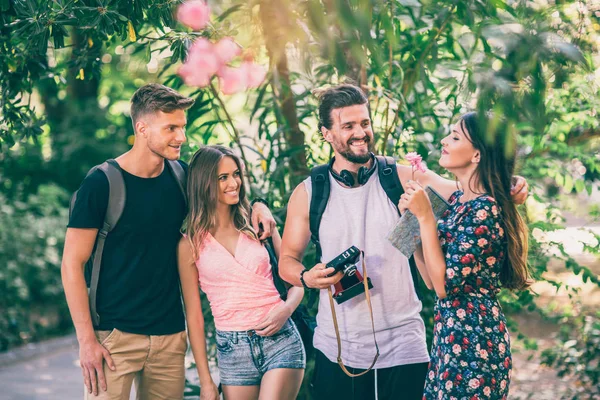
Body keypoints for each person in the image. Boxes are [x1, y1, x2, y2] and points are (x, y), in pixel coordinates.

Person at [279, 84, 529, 400]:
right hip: (337, 348)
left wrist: (513, 184)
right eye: (349, 126)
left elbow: (471, 188)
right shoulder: (309, 193)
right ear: (326, 133)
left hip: (404, 348)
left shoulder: (399, 177)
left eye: (365, 123)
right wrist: (306, 277)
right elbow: (287, 260)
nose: (361, 133)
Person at [62, 84, 276, 400]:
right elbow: (71, 264)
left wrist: (259, 202)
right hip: (114, 339)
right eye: (171, 128)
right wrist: (86, 341)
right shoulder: (101, 183)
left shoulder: (181, 178)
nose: (181, 137)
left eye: (182, 127)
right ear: (142, 128)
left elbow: (228, 196)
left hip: (170, 340)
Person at [401, 112, 531, 399]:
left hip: (476, 344)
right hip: (449, 340)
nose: (444, 141)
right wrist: (414, 223)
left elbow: (446, 287)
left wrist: (425, 219)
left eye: (456, 137)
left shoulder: (486, 209)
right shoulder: (459, 201)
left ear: (477, 155)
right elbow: (433, 283)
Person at [177, 145, 306, 400]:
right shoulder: (189, 244)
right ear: (204, 183)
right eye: (222, 178)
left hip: (280, 339)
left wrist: (286, 309)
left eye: (236, 174)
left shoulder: (259, 224)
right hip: (232, 350)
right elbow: (194, 316)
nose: (233, 183)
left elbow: (297, 280)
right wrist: (206, 381)